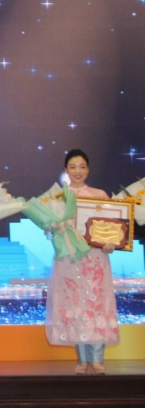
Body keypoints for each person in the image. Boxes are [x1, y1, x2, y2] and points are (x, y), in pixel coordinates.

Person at [46, 149, 119, 374]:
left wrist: (111, 242)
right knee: (75, 305)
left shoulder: (99, 194)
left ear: (88, 169)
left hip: (95, 259)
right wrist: (55, 228)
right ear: (66, 170)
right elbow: (50, 229)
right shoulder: (58, 197)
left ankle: (97, 359)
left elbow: (111, 227)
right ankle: (82, 360)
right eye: (73, 166)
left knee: (97, 304)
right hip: (70, 259)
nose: (78, 171)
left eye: (82, 166)